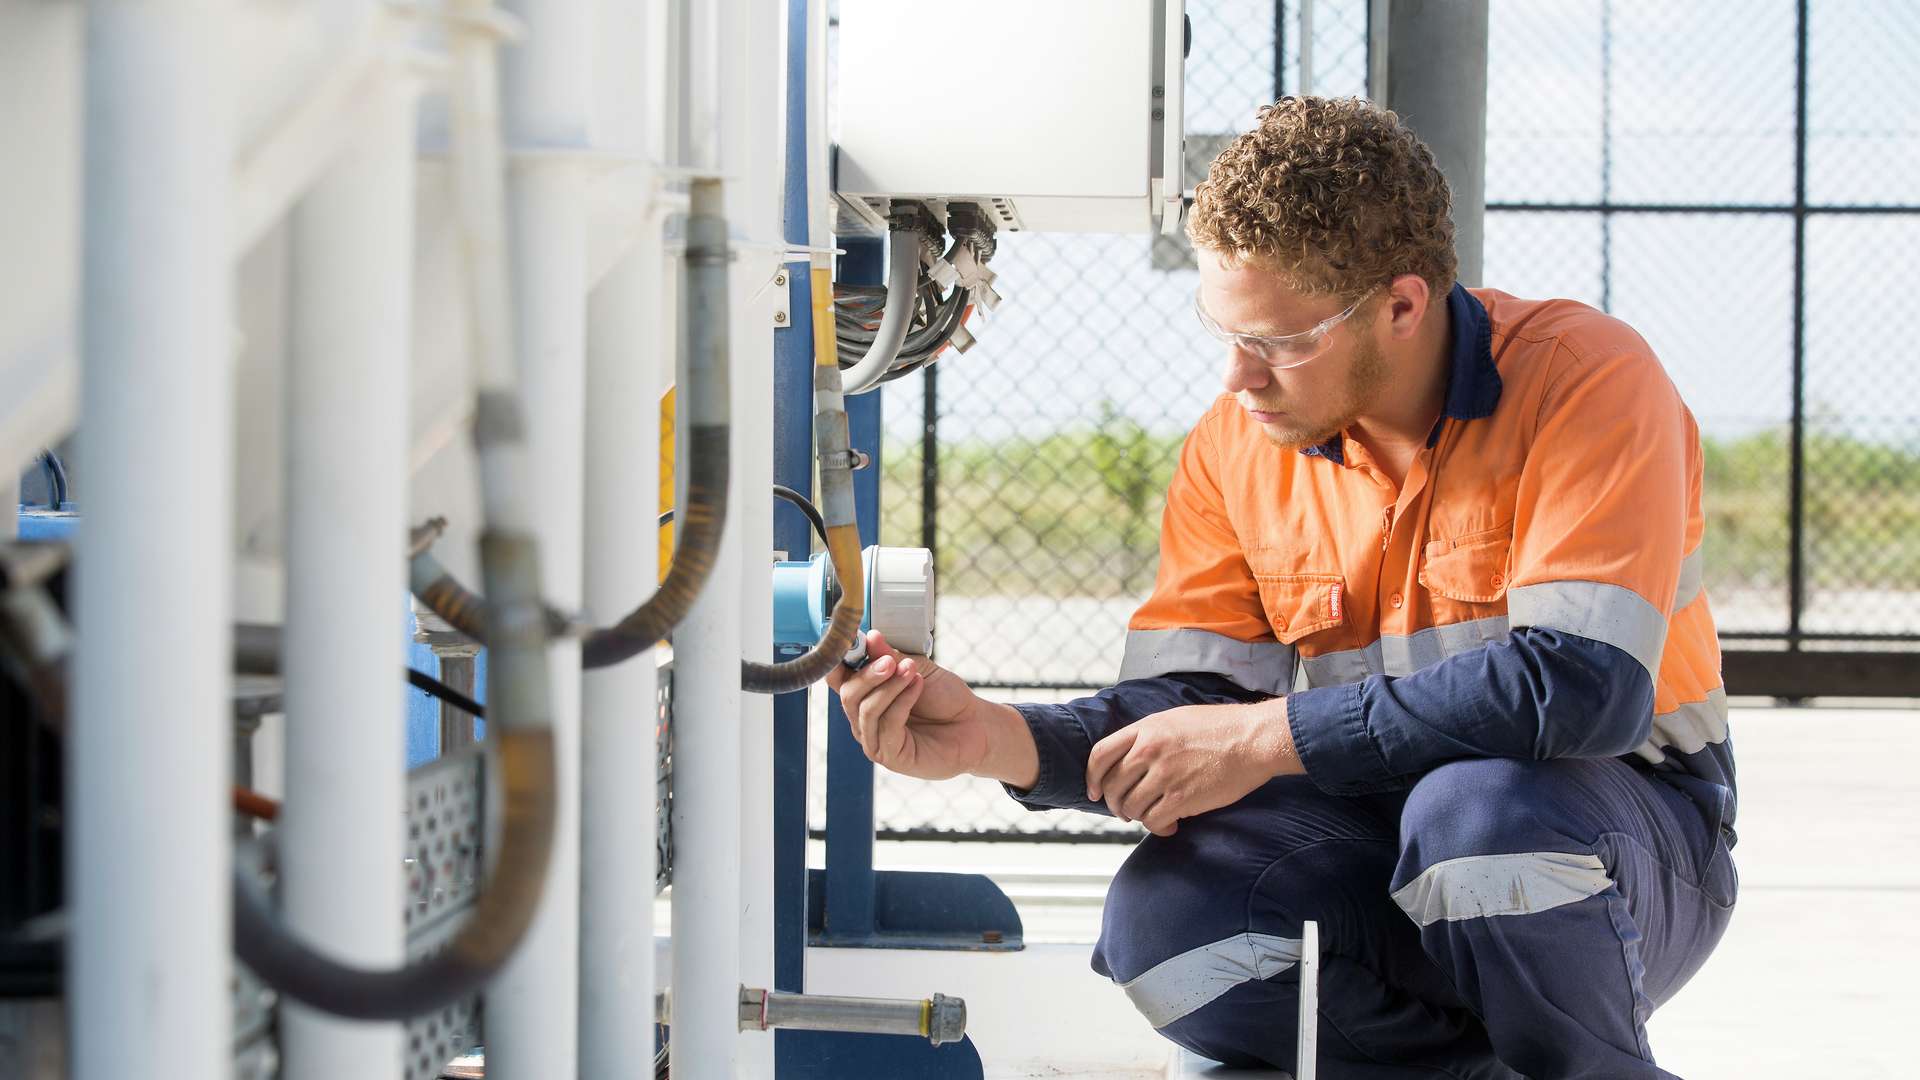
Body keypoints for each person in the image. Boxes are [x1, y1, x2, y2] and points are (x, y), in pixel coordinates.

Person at [827, 96, 1735, 1080]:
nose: (1237, 377)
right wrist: (998, 739)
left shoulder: (1583, 380)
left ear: (1401, 305)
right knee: (1165, 921)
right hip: (1370, 824)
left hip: (1618, 837)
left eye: (1278, 341)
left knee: (1477, 822)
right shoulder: (1240, 444)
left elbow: (1581, 687)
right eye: (1223, 331)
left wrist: (1270, 739)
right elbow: (1189, 714)